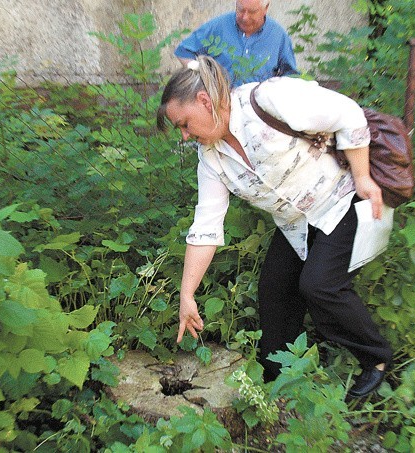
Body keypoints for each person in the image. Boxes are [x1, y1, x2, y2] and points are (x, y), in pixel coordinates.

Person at [156, 56, 393, 398]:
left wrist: (363, 177)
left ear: (205, 102)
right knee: (274, 292)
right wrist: (186, 294)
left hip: (342, 200)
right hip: (296, 224)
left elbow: (349, 114)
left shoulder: (267, 100)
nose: (184, 135)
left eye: (184, 124)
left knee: (320, 286)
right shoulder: (211, 158)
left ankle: (376, 358)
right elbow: (206, 225)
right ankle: (279, 380)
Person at [174, 0, 297, 87]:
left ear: (266, 8)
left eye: (252, 12)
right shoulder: (218, 26)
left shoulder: (278, 35)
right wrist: (205, 75)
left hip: (258, 111)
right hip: (220, 105)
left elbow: (290, 75)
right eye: (240, 10)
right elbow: (183, 51)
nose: (245, 17)